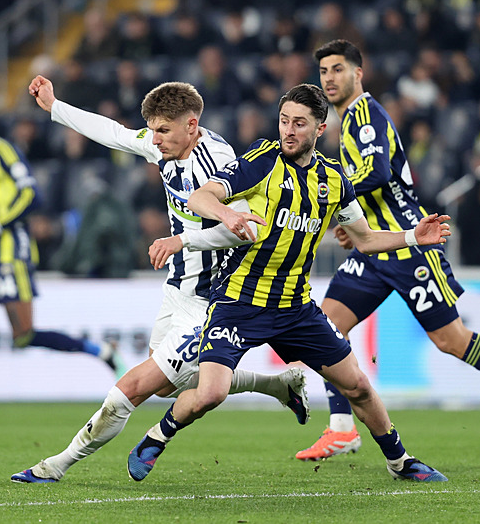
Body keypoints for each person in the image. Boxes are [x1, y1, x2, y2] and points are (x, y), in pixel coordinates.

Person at [126, 83, 452, 484]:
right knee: (210, 393)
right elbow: (200, 197)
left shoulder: (334, 180)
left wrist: (411, 237)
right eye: (284, 121)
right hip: (238, 301)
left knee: (359, 387)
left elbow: (365, 239)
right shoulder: (261, 160)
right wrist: (227, 215)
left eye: (299, 123)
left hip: (296, 309)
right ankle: (156, 437)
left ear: (320, 128)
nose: (289, 131)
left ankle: (401, 461)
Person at [10, 78, 310, 483]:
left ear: (191, 125)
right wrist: (54, 106)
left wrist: (180, 239)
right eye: (152, 129)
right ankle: (279, 386)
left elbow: (245, 229)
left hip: (213, 299)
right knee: (168, 387)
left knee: (131, 388)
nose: (155, 139)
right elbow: (113, 133)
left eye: (163, 130)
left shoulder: (219, 163)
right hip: (177, 288)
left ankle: (57, 465)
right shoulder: (162, 144)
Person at [292, 39, 480, 461]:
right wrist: (353, 222)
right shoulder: (347, 121)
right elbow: (368, 184)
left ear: (357, 73)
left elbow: (377, 173)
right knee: (327, 325)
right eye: (324, 71)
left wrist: (333, 207)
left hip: (408, 245)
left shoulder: (365, 114)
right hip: (374, 247)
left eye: (337, 69)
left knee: (451, 340)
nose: (329, 78)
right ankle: (343, 428)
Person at [0, 96, 122, 428]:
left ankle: (101, 352)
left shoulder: (4, 152)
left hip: (12, 253)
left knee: (23, 336)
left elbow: (31, 195)